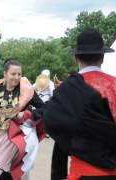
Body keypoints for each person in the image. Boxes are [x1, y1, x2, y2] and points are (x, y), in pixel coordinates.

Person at [44, 29, 116, 179]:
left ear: (76, 58)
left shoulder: (65, 90)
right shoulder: (114, 85)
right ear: (102, 58)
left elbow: (59, 133)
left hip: (81, 173)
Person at [0, 60, 45, 180]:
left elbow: (44, 108)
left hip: (19, 136)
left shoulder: (26, 89)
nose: (16, 77)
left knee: (6, 171)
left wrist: (27, 114)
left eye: (19, 74)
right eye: (13, 74)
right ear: (5, 74)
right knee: (1, 167)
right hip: (0, 134)